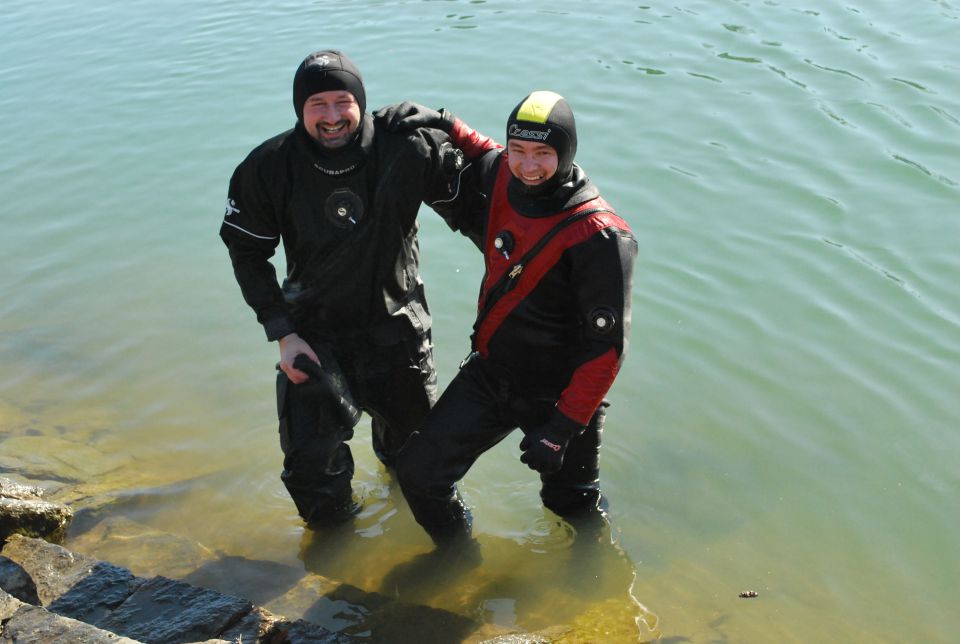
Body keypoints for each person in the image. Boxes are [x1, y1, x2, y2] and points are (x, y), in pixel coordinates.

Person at [219, 50, 495, 526]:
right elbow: (247, 253)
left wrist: (451, 125)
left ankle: (445, 561)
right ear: (299, 109)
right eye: (316, 105)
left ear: (361, 102)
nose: (331, 117)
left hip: (398, 329)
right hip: (314, 337)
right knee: (310, 472)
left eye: (342, 102)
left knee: (421, 471)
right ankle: (335, 569)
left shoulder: (407, 147)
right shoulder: (268, 167)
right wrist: (283, 333)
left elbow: (491, 213)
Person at [377, 91, 638, 546]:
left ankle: (593, 593)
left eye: (543, 154)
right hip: (491, 375)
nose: (528, 166)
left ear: (567, 153)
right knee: (419, 473)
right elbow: (484, 150)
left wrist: (560, 429)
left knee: (570, 505)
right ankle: (458, 557)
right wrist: (443, 120)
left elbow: (608, 350)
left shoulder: (601, 236)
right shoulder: (503, 175)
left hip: (560, 397)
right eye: (518, 150)